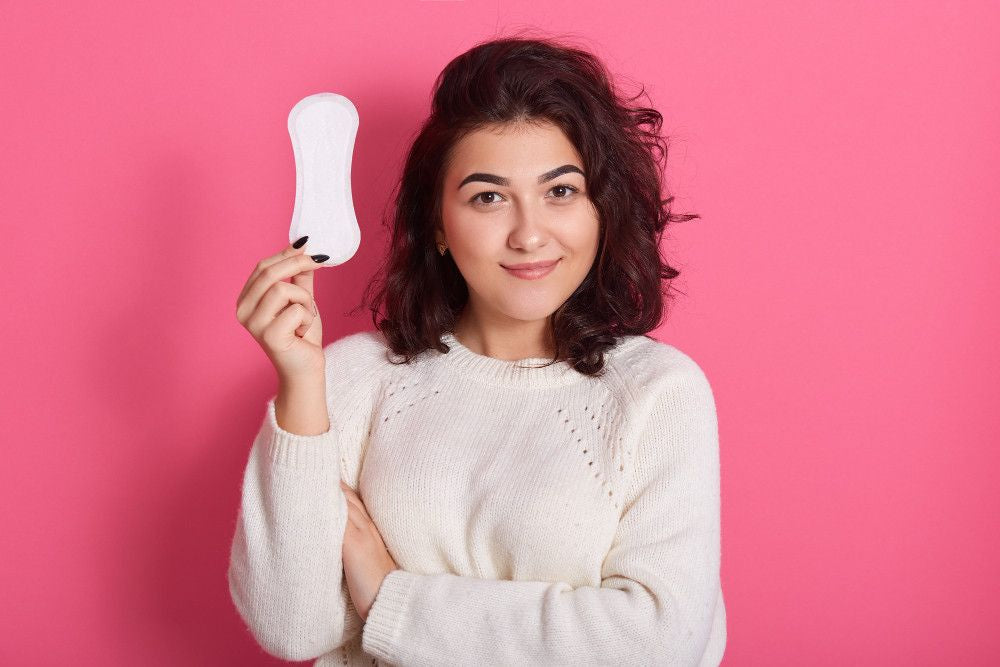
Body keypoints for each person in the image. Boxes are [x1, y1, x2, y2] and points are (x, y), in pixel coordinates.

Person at [229, 33, 726, 666]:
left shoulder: (658, 393)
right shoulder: (354, 378)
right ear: (437, 222)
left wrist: (387, 595)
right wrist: (300, 385)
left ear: (602, 208)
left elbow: (655, 644)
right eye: (488, 197)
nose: (528, 234)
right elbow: (293, 628)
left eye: (561, 191)